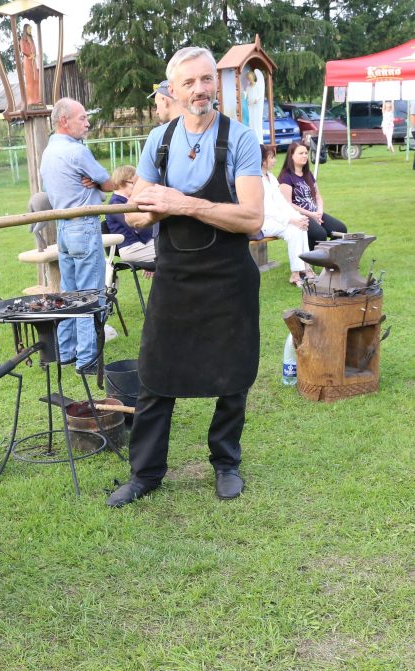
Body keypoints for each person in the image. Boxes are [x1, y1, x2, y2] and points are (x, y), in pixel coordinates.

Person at [106, 47, 264, 508]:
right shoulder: (158, 140)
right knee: (155, 374)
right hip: (174, 275)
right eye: (190, 82)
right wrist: (140, 208)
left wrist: (183, 203)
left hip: (229, 276)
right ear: (171, 90)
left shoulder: (240, 138)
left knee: (233, 375)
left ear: (216, 83)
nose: (200, 90)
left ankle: (225, 463)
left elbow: (252, 218)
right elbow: (138, 215)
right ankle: (146, 473)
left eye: (207, 79)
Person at [39, 97, 116, 375]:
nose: (87, 123)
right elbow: (109, 183)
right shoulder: (77, 152)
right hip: (83, 225)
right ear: (64, 121)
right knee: (88, 295)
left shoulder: (48, 152)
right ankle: (86, 360)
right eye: (82, 118)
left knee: (69, 295)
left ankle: (66, 351)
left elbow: (48, 187)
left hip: (62, 227)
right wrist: (96, 182)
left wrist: (92, 182)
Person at [257, 145, 313, 286]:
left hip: (276, 220)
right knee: (294, 230)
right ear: (263, 160)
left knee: (301, 226)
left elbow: (282, 202)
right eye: (272, 157)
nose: (275, 160)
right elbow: (266, 209)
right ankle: (296, 274)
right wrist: (290, 220)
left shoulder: (271, 177)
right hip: (262, 222)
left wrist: (297, 217)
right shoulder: (256, 179)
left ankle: (306, 268)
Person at [277, 141, 347, 250]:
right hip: (300, 215)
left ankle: (329, 259)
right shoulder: (286, 177)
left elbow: (318, 196)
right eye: (301, 153)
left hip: (315, 213)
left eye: (306, 153)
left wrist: (319, 212)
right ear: (291, 155)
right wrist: (311, 214)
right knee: (320, 234)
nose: (305, 156)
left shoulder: (307, 174)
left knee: (340, 229)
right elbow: (288, 204)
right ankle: (312, 258)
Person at [104, 165, 155, 263]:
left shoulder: (128, 201)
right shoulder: (116, 204)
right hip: (131, 248)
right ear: (121, 183)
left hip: (142, 244)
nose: (137, 187)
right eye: (134, 183)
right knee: (169, 251)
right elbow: (138, 227)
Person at [20, 23, 41, 107]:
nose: (30, 30)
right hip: (27, 60)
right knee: (30, 81)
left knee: (36, 79)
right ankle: (30, 99)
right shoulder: (22, 39)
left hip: (33, 60)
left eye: (31, 29)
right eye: (29, 29)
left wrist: (34, 55)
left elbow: (35, 49)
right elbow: (23, 50)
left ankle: (37, 98)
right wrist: (29, 55)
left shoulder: (32, 40)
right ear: (25, 30)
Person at [244, 69, 265, 142]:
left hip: (256, 107)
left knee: (256, 122)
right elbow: (246, 96)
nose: (248, 80)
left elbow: (260, 95)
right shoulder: (248, 88)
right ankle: (253, 138)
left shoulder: (257, 86)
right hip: (250, 106)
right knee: (251, 122)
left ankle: (259, 139)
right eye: (247, 79)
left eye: (249, 79)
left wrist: (257, 99)